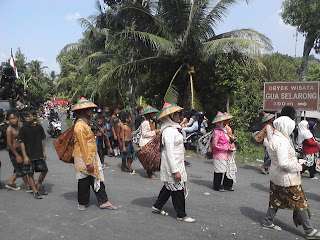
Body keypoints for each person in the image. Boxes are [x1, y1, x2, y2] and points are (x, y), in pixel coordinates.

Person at [261, 116, 320, 239]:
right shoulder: (281, 141)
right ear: (285, 127)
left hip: (276, 176)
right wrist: (298, 165)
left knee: (275, 200)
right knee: (300, 202)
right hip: (286, 178)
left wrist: (295, 159)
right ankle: (309, 231)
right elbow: (283, 163)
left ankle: (267, 221)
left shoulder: (275, 137)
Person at [152, 102, 196, 223]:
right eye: (176, 114)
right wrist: (175, 171)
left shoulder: (172, 129)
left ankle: (157, 206)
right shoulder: (168, 132)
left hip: (177, 163)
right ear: (170, 117)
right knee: (178, 190)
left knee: (168, 187)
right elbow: (170, 153)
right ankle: (181, 214)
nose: (179, 116)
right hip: (172, 165)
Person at [72, 97, 117, 211]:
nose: (92, 111)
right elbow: (82, 145)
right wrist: (88, 162)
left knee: (95, 177)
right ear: (84, 111)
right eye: (90, 109)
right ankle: (84, 202)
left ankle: (102, 201)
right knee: (85, 179)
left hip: (91, 154)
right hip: (84, 156)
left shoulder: (86, 123)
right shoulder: (80, 126)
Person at [17, 110, 48, 199]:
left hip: (38, 153)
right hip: (29, 155)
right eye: (25, 117)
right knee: (30, 173)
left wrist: (44, 151)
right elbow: (21, 143)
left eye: (29, 116)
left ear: (34, 116)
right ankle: (35, 191)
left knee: (44, 170)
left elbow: (42, 140)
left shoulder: (39, 127)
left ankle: (39, 184)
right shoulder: (23, 129)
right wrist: (25, 156)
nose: (27, 118)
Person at [5, 110, 31, 192]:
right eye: (11, 119)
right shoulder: (9, 130)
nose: (13, 120)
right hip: (14, 151)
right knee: (22, 168)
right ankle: (27, 186)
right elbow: (9, 144)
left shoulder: (20, 126)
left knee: (18, 168)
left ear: (18, 118)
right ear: (8, 120)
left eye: (14, 118)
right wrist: (17, 155)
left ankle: (11, 183)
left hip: (21, 149)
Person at [211, 111, 237, 192]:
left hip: (228, 153)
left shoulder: (226, 130)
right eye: (225, 121)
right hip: (219, 154)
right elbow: (215, 145)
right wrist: (225, 148)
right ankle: (217, 186)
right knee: (219, 170)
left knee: (229, 169)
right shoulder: (216, 132)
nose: (226, 122)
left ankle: (228, 185)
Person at [138, 105, 160, 179]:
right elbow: (144, 134)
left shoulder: (152, 122)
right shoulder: (145, 123)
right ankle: (150, 173)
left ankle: (152, 170)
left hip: (152, 142)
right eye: (153, 113)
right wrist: (154, 132)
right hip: (146, 142)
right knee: (149, 158)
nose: (154, 115)